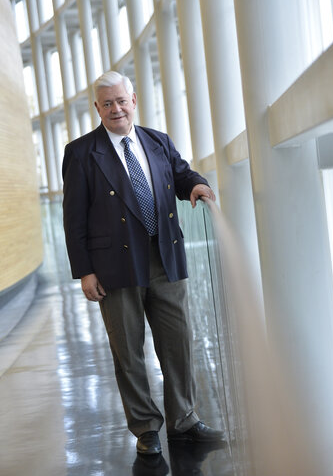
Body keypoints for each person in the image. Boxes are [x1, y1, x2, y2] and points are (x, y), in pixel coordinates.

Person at [62, 70, 224, 455]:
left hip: (164, 256)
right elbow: (74, 216)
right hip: (113, 267)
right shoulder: (81, 152)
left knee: (178, 342)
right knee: (128, 351)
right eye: (107, 103)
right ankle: (146, 428)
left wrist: (197, 185)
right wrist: (85, 270)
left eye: (121, 100)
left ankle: (184, 419)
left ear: (133, 100)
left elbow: (181, 174)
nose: (116, 108)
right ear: (97, 108)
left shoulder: (157, 140)